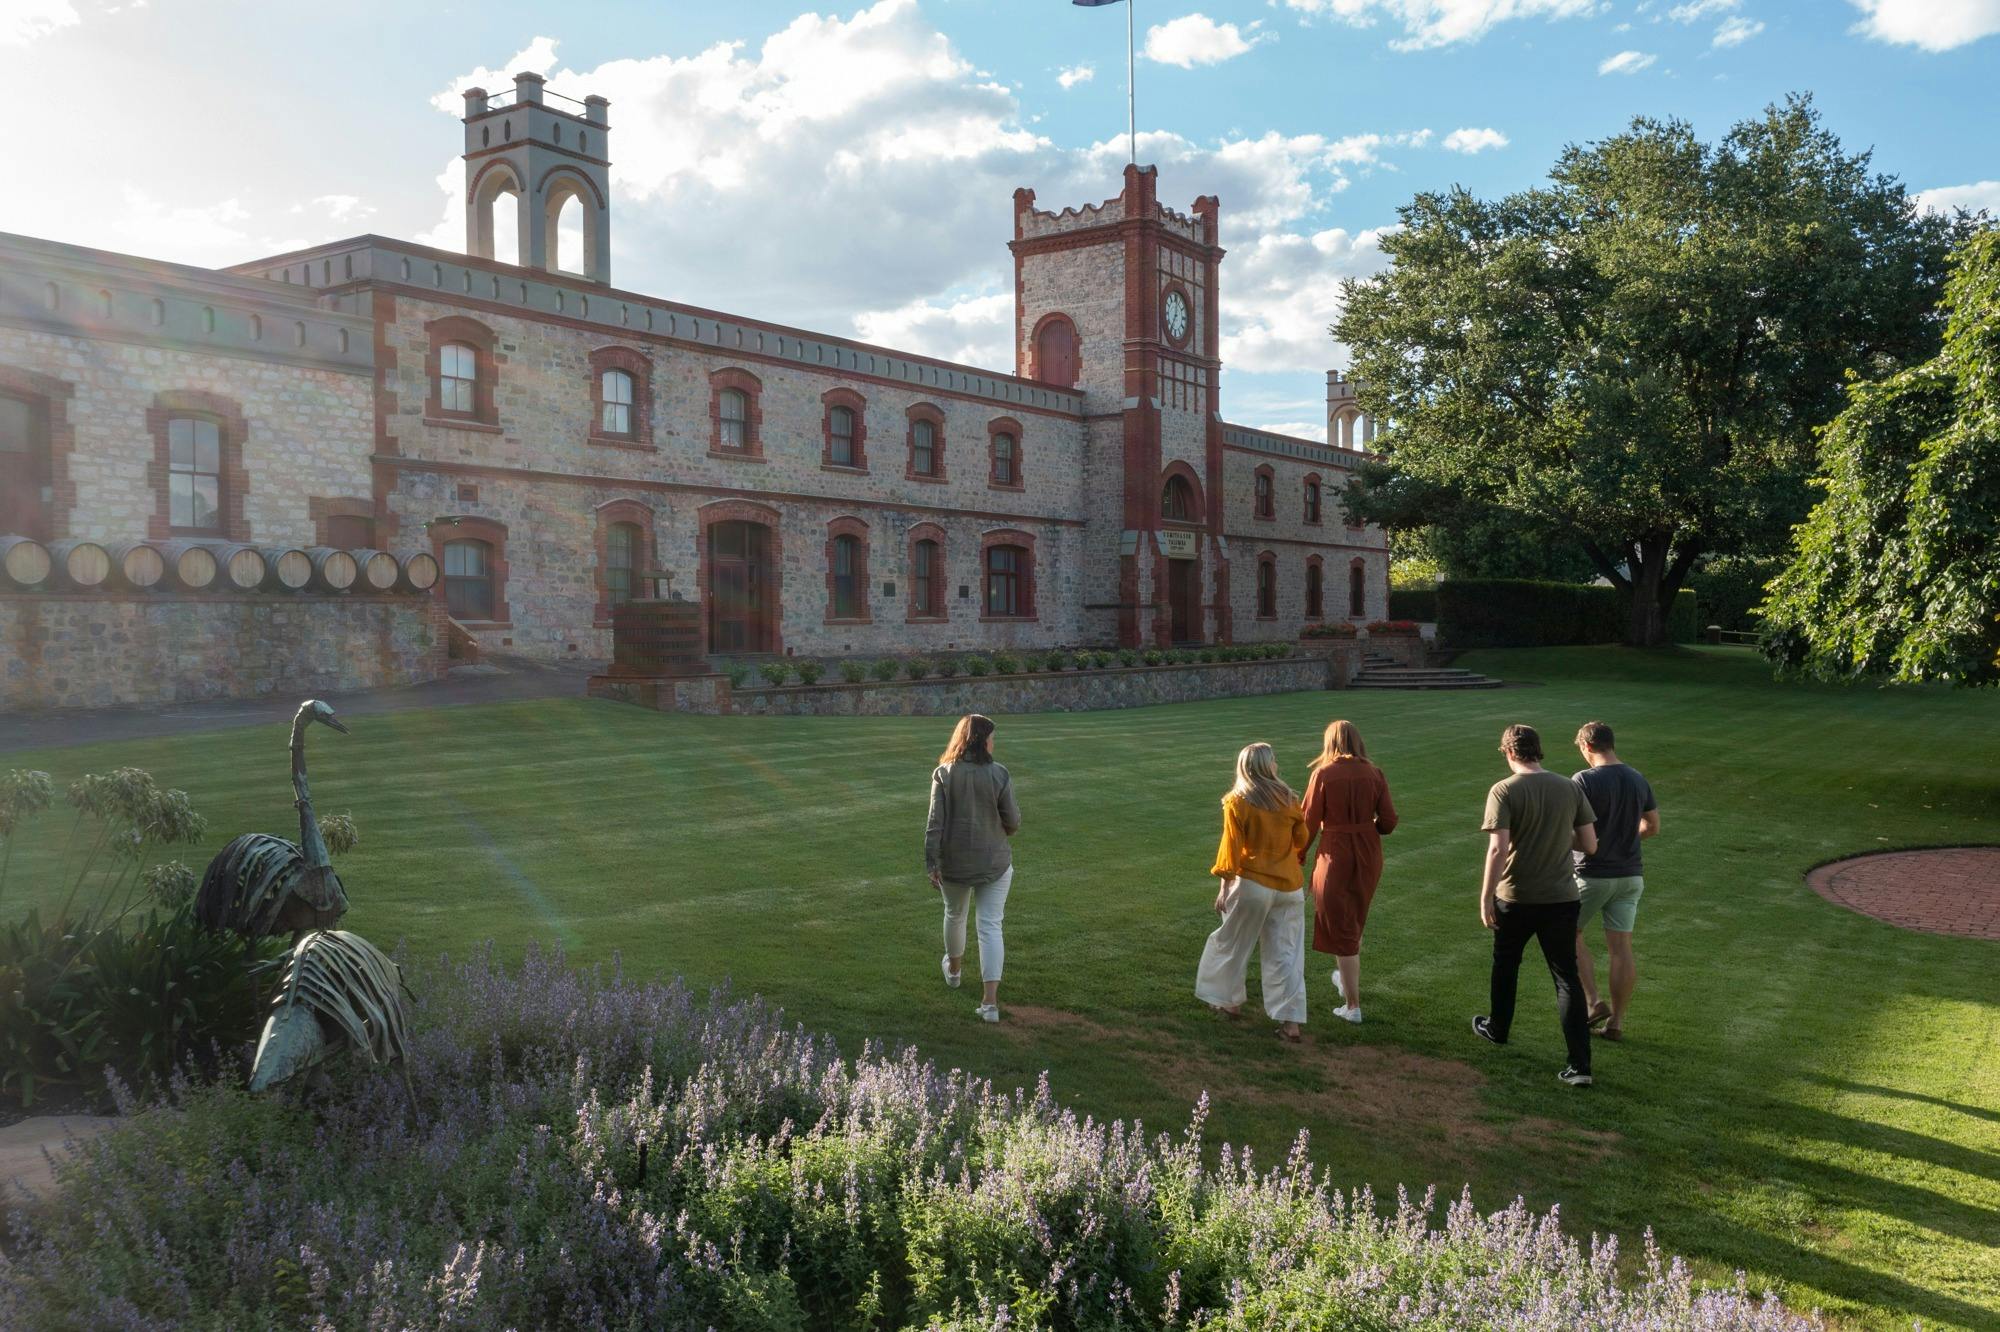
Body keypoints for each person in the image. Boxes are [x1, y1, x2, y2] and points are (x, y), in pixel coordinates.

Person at [1471, 723, 1601, 1087]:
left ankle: (1498, 1028)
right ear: (1536, 750)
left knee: (1506, 964)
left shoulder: (1504, 790)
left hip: (1516, 896)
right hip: (1562, 897)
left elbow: (1498, 848)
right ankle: (1580, 1065)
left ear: (1510, 752)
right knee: (1566, 978)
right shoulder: (1569, 787)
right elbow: (1590, 845)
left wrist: (1485, 895)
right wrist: (1557, 832)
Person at [1196, 742, 1311, 1041]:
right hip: (1289, 887)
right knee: (1287, 954)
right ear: (1268, 765)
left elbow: (1230, 848)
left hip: (1252, 883)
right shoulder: (1289, 799)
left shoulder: (1237, 801)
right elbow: (1302, 839)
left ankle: (1229, 1002)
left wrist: (1224, 886)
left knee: (1232, 943)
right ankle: (1291, 1024)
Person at [1299, 719, 1398, 1024]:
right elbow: (1389, 821)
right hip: (1368, 852)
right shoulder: (1374, 773)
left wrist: (1298, 854)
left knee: (1340, 924)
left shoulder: (1324, 774)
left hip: (1336, 851)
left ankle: (1352, 1005)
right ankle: (1345, 978)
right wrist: (1369, 826)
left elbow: (1308, 821)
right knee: (1354, 915)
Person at [925, 714, 1020, 1022]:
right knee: (990, 926)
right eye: (991, 738)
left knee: (955, 914)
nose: (994, 743)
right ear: (982, 741)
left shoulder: (944, 774)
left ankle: (954, 971)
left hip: (954, 861)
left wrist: (932, 863)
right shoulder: (999, 774)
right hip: (994, 861)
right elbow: (1013, 821)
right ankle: (990, 1003)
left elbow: (934, 824)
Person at [1571, 720, 1659, 1042]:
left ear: (1587, 746)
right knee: (1621, 949)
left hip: (1592, 875)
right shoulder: (1637, 778)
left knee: (1566, 933)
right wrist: (1624, 839)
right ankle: (1616, 1024)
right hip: (1630, 876)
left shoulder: (1584, 780)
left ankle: (1593, 1002)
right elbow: (1652, 826)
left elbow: (1572, 828)